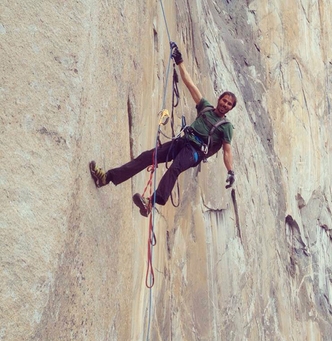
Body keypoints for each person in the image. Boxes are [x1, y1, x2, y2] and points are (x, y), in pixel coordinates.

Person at [89, 42, 237, 217]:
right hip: (182, 142)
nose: (225, 104)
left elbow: (227, 152)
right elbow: (190, 84)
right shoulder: (205, 107)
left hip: (195, 152)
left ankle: (150, 203)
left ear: (230, 109)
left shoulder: (226, 127)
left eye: (229, 104)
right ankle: (106, 178)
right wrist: (179, 60)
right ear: (219, 99)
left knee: (174, 168)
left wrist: (230, 171)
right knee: (147, 157)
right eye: (224, 100)